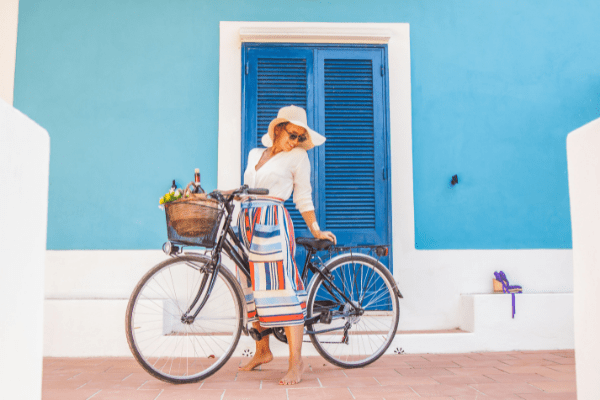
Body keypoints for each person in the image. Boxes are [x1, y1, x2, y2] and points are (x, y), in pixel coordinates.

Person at [237, 105, 336, 385]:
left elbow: (302, 196)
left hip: (273, 222)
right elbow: (247, 187)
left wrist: (316, 228)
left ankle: (296, 363)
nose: (295, 142)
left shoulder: (299, 157)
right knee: (251, 288)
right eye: (293, 135)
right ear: (278, 129)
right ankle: (263, 351)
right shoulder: (255, 154)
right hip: (246, 222)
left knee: (284, 288)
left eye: (299, 138)